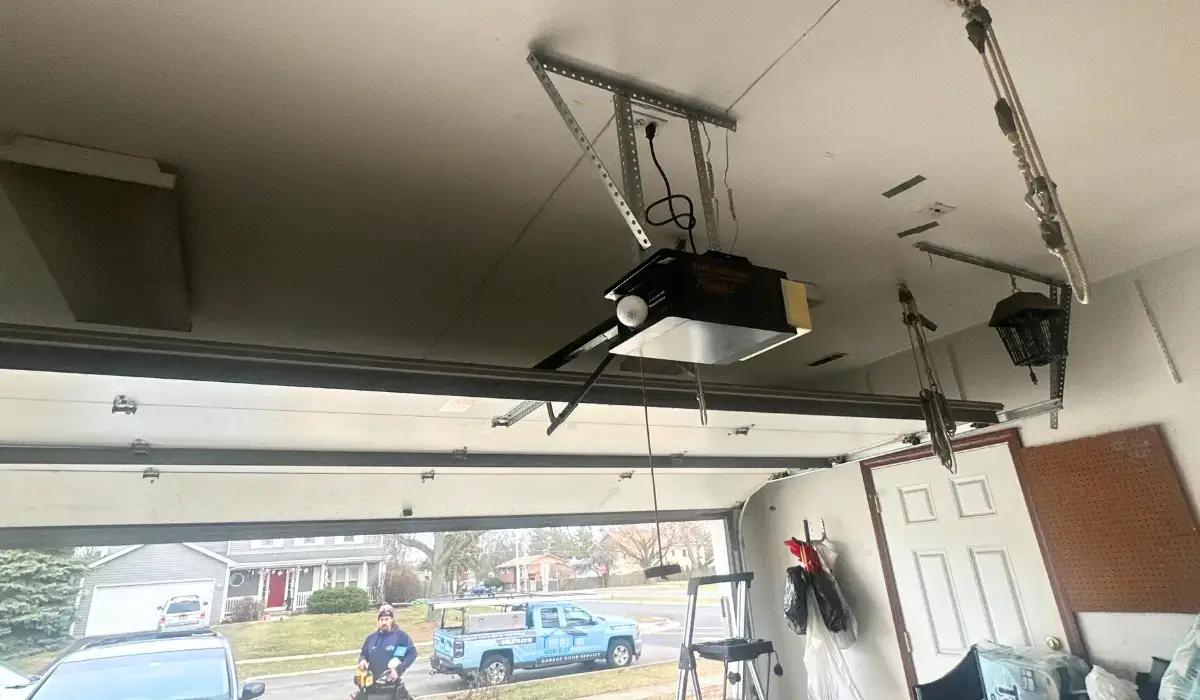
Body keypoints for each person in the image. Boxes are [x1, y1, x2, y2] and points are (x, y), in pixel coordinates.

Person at [356, 606, 417, 698]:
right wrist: (362, 660)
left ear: (392, 620)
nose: (384, 622)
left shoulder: (400, 636)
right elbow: (364, 654)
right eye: (381, 619)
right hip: (372, 686)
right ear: (378, 621)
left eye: (386, 619)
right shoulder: (371, 638)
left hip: (392, 686)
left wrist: (398, 670)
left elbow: (412, 654)